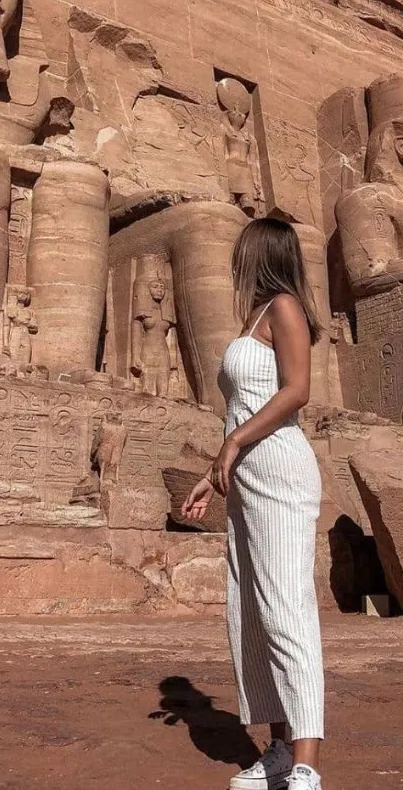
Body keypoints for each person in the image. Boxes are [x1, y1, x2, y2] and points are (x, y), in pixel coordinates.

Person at [182, 217, 324, 790]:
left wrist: (235, 443)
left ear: (261, 253)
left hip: (282, 471)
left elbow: (296, 391)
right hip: (246, 479)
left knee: (287, 608)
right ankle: (280, 747)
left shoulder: (285, 306)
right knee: (252, 615)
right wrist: (215, 473)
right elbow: (242, 407)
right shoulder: (256, 315)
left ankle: (308, 764)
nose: (233, 261)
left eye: (241, 251)